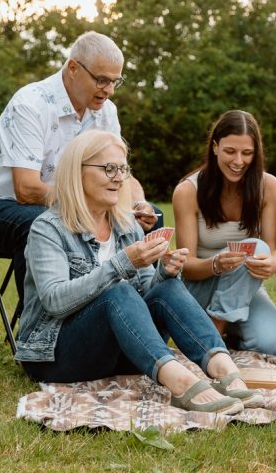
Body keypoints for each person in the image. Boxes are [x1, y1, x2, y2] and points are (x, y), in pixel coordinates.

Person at [16, 130, 262, 414]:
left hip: (120, 353)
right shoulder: (48, 228)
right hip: (55, 356)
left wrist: (165, 273)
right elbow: (54, 300)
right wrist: (122, 263)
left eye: (122, 169)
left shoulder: (126, 225)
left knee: (167, 288)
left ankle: (225, 371)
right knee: (117, 291)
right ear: (77, 172)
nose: (119, 178)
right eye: (108, 168)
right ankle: (180, 384)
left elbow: (147, 294)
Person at [0, 31, 161, 303]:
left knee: (150, 217)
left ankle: (141, 317)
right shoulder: (31, 104)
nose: (109, 91)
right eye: (101, 80)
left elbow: (122, 173)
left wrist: (139, 203)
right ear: (73, 68)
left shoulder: (106, 111)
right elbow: (25, 190)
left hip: (62, 207)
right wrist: (86, 204)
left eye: (115, 82)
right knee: (41, 223)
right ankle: (40, 332)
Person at [172, 110, 276, 356]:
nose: (238, 161)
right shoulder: (187, 191)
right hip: (200, 285)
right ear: (215, 147)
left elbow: (273, 251)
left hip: (243, 287)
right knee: (254, 247)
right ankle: (216, 327)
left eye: (247, 153)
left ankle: (222, 327)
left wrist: (272, 263)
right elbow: (187, 266)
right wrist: (217, 264)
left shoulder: (269, 187)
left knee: (273, 345)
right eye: (230, 151)